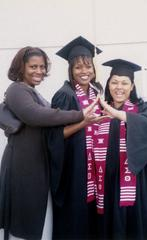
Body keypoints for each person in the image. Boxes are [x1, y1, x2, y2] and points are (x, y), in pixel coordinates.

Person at [0, 46, 98, 240]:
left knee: (38, 221)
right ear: (22, 67)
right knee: (24, 221)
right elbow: (36, 116)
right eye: (33, 66)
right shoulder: (17, 90)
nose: (39, 71)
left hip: (37, 163)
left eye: (42, 67)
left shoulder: (33, 92)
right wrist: (79, 115)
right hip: (24, 166)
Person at [95, 59, 147, 239]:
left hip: (137, 186)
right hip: (107, 185)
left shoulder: (145, 109)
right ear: (108, 84)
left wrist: (117, 114)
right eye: (114, 82)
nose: (119, 87)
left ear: (132, 86)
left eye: (124, 83)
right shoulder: (98, 112)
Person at [46, 36, 104, 239]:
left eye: (88, 66)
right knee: (75, 221)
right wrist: (83, 123)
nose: (84, 71)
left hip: (94, 169)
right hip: (74, 170)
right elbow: (54, 136)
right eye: (78, 67)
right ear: (70, 70)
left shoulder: (97, 93)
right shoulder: (65, 95)